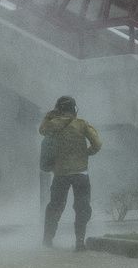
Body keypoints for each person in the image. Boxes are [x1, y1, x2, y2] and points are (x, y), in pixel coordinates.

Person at [40, 95, 102, 251]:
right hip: (81, 174)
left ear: (58, 109)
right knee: (82, 207)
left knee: (55, 207)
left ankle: (47, 241)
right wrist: (86, 153)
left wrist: (49, 116)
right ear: (74, 109)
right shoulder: (81, 124)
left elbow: (42, 130)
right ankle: (80, 242)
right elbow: (97, 144)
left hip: (60, 174)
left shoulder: (53, 125)